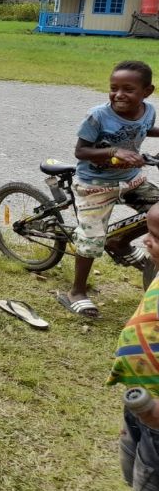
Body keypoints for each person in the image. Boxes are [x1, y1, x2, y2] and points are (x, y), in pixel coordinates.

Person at [58, 61, 159, 319]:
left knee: (158, 212)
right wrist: (115, 151)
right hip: (95, 185)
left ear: (147, 91)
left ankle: (120, 241)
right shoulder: (98, 115)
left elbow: (145, 129)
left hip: (130, 179)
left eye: (128, 89)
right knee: (91, 240)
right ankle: (76, 292)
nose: (119, 94)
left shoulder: (148, 111)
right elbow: (81, 151)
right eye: (114, 88)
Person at [108, 201, 159, 489]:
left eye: (156, 237)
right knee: (132, 467)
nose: (144, 240)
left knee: (149, 477)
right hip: (140, 402)